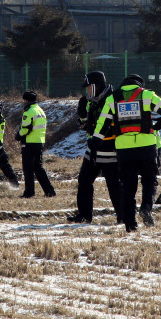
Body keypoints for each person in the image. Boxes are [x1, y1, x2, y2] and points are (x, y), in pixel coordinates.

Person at [92, 73, 161, 232]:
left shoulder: (112, 99)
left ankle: (130, 225)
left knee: (128, 187)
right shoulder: (146, 95)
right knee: (150, 180)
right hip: (147, 147)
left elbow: (102, 126)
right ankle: (146, 207)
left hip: (124, 149)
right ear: (139, 85)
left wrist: (95, 142)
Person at [68, 71, 121, 224]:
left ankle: (123, 217)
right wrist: (82, 116)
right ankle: (84, 216)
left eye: (89, 88)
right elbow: (90, 126)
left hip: (110, 150)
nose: (87, 92)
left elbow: (109, 126)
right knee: (84, 181)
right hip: (93, 150)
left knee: (114, 186)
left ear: (97, 86)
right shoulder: (94, 101)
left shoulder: (111, 100)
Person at [14, 90, 56, 198]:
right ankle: (49, 191)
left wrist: (18, 135)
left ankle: (29, 193)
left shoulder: (29, 111)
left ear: (26, 100)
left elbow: (26, 129)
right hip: (39, 142)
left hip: (29, 143)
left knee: (28, 169)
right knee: (38, 168)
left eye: (24, 100)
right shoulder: (40, 110)